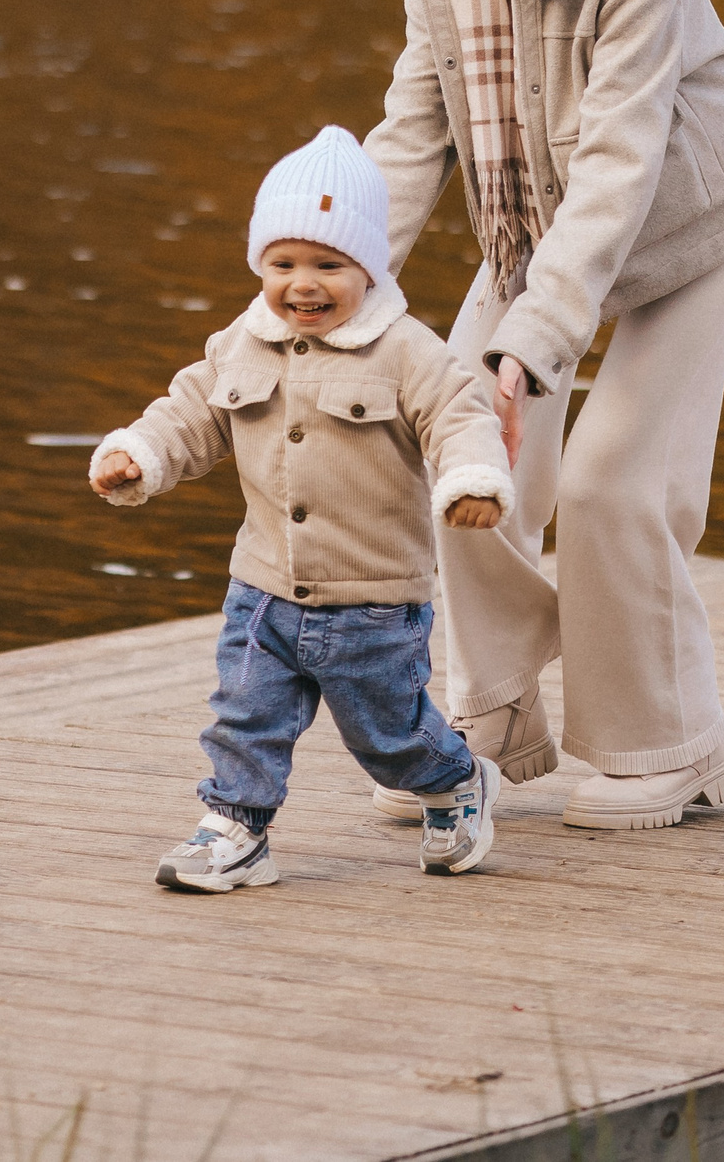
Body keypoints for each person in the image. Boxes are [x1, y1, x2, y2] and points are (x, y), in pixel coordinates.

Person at [364, 0, 724, 832]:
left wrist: (531, 349)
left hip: (686, 220)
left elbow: (619, 163)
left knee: (609, 483)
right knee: (458, 450)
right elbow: (411, 136)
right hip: (535, 226)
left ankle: (668, 746)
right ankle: (494, 718)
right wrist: (330, 280)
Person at [87, 127, 518, 890]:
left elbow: (460, 415)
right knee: (245, 714)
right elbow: (190, 414)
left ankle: (454, 780)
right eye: (282, 264)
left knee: (387, 737)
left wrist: (474, 480)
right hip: (263, 589)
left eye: (329, 264)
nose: (303, 284)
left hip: (372, 599)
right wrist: (140, 455)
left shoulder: (406, 350)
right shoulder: (240, 344)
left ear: (370, 266)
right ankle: (235, 828)